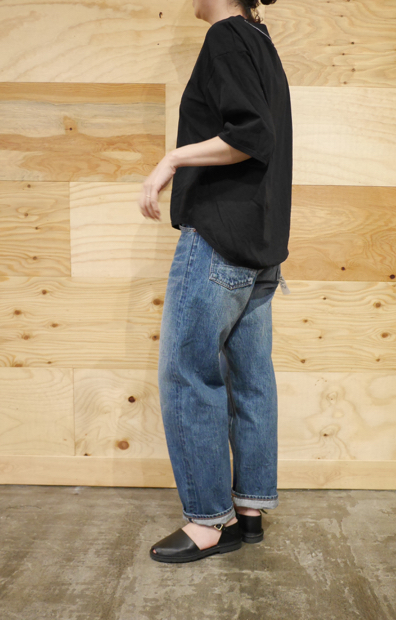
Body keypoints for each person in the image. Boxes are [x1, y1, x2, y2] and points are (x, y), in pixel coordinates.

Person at [138, 0, 292, 563]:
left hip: (219, 240)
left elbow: (251, 135)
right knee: (251, 378)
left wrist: (172, 159)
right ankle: (249, 509)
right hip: (260, 245)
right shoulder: (260, 39)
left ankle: (208, 521)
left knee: (188, 374)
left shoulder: (227, 35)